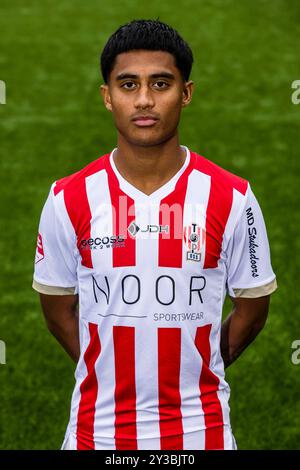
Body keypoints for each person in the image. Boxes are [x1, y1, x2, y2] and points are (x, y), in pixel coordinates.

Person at [32, 19, 277, 450]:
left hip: (201, 435)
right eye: (128, 85)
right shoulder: (68, 198)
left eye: (160, 83)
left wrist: (204, 364)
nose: (144, 100)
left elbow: (253, 306)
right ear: (107, 97)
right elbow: (57, 311)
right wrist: (108, 368)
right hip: (97, 434)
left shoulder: (232, 197)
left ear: (186, 93)